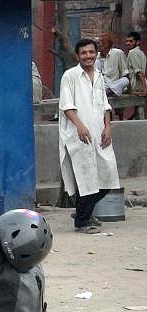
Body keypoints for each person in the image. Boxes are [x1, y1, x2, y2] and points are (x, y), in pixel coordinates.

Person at [59, 38, 120, 234]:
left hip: (100, 134)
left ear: (97, 54)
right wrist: (79, 126)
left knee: (108, 177)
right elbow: (66, 105)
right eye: (84, 53)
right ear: (78, 56)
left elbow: (105, 105)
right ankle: (82, 222)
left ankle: (82, 212)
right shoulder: (70, 76)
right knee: (86, 179)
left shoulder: (100, 76)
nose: (88, 56)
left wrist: (108, 127)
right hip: (79, 135)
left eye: (91, 52)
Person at [124, 31, 147, 95]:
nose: (128, 43)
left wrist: (145, 89)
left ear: (137, 42)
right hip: (140, 86)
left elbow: (139, 71)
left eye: (131, 41)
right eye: (126, 41)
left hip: (136, 87)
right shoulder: (141, 53)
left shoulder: (132, 52)